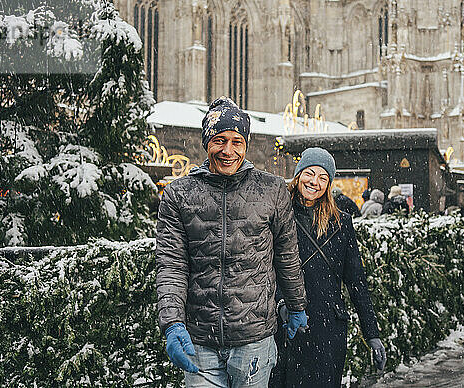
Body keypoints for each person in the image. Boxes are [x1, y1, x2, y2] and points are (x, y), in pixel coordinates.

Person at [156, 96, 308, 388]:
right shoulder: (179, 194)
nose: (228, 151)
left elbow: (287, 255)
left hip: (254, 339)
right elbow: (171, 265)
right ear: (206, 142)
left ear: (246, 145)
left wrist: (296, 304)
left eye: (237, 142)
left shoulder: (272, 190)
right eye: (219, 140)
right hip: (199, 339)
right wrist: (173, 323)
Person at [270, 147, 386, 388]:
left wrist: (372, 333)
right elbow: (265, 270)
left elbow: (356, 281)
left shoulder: (341, 222)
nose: (315, 182)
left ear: (329, 183)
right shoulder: (278, 216)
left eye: (323, 177)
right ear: (298, 175)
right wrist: (281, 303)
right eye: (310, 173)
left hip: (327, 330)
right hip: (283, 325)